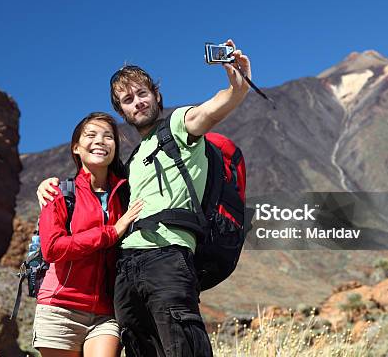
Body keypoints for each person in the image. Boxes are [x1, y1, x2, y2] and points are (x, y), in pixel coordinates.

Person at [37, 39, 251, 357]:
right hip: (125, 271)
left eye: (142, 94)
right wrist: (47, 184)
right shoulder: (132, 162)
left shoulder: (179, 127)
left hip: (167, 257)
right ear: (121, 111)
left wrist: (238, 88)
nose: (137, 102)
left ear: (155, 96)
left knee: (183, 346)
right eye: (127, 99)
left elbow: (211, 109)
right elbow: (91, 189)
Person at [33, 112, 144, 357]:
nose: (100, 141)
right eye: (91, 135)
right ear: (76, 147)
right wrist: (111, 232)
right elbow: (52, 249)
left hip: (106, 311)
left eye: (108, 137)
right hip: (61, 307)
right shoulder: (59, 192)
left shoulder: (127, 192)